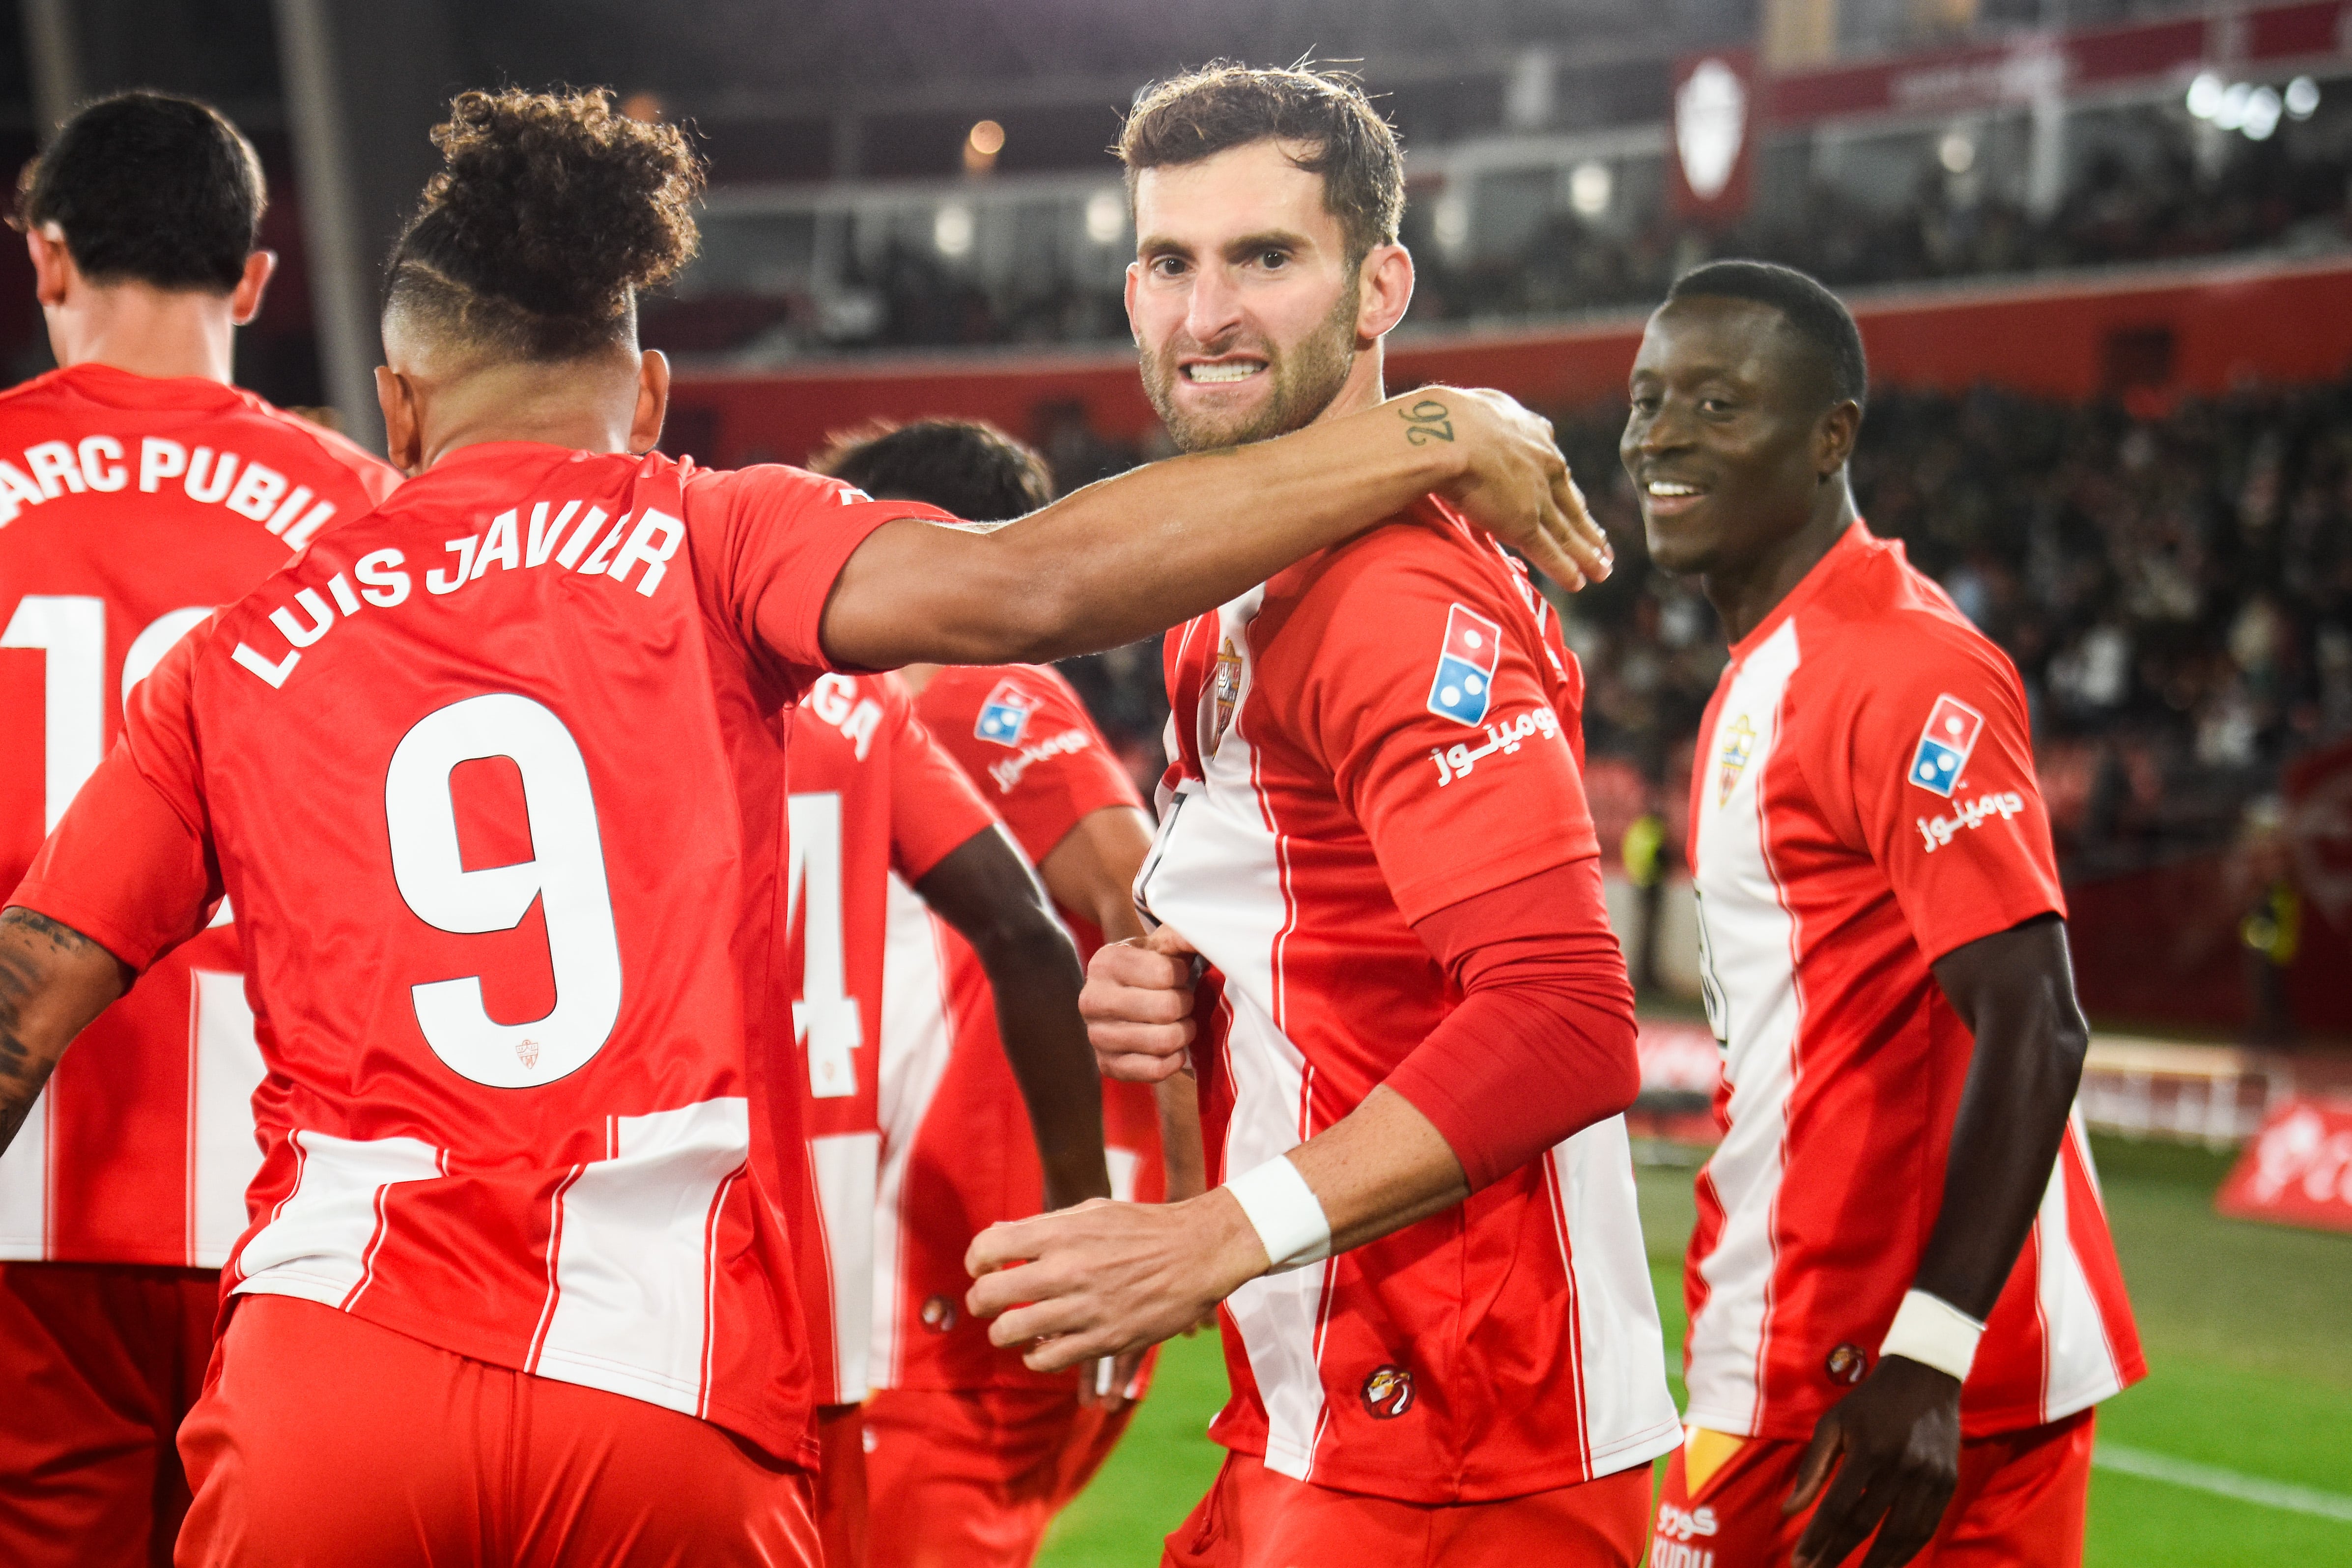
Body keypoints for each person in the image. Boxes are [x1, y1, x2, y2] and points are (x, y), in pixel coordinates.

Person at [0, 86, 1605, 1566]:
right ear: (648, 388)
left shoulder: (238, 652)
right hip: (663, 1388)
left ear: (399, 401)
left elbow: (29, 1006)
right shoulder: (714, 531)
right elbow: (1031, 583)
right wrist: (1424, 428)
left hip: (331, 1375)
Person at [966, 65, 1678, 1566]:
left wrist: (1203, 1238)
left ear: (1378, 288)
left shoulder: (1386, 595)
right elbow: (1332, 922)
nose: (1205, 313)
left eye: (1265, 259)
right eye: (1171, 262)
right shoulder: (1231, 581)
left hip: (1458, 1429)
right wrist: (1182, 980)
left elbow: (1564, 1017)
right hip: (1336, 1396)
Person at [1622, 261, 2143, 1568]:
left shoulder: (1902, 667)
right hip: (1832, 1339)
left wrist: (1926, 1351)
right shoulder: (1772, 665)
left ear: (1828, 438)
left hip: (1863, 1368)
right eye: (1645, 400)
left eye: (1716, 404)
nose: (1660, 435)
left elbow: (2036, 1016)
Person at [0, 91, 398, 1568]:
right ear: (251, 279)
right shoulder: (370, 518)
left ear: (46, 262)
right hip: (301, 1211)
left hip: (23, 1198)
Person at [815, 419, 1181, 1568]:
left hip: (980, 1294)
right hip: (978, 1279)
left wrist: (1174, 1222)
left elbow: (1144, 901)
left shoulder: (978, 688)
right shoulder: (872, 717)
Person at [783, 656, 1109, 1568]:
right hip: (863, 1276)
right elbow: (1033, 935)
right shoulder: (880, 702)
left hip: (764, 1268)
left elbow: (1100, 906)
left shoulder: (968, 688)